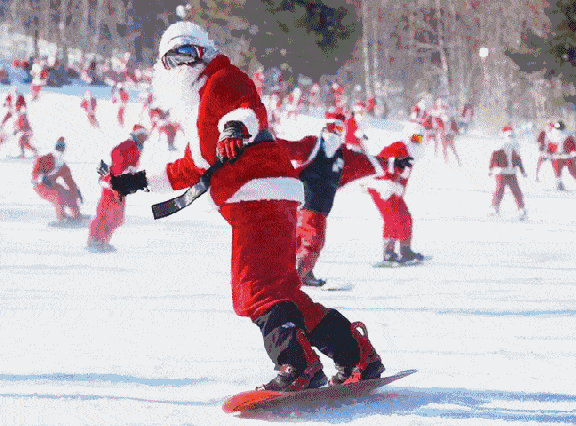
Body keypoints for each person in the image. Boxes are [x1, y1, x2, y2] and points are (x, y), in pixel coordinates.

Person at [108, 21, 385, 391]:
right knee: (283, 291)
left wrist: (235, 128)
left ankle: (297, 364)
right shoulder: (198, 107)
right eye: (171, 59)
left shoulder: (223, 77)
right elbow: (192, 166)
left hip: (257, 193)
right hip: (263, 195)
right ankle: (356, 355)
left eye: (188, 53)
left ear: (204, 51)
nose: (182, 65)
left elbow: (247, 107)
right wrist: (137, 181)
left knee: (255, 289)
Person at [278, 110, 391, 287]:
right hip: (307, 203)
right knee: (312, 241)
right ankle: (294, 280)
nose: (332, 132)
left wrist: (391, 163)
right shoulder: (313, 144)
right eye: (328, 127)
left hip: (319, 207)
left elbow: (366, 163)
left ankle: (302, 273)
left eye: (337, 127)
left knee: (301, 242)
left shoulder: (343, 154)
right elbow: (289, 148)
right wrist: (266, 142)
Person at [366, 122, 425, 264]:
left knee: (405, 216)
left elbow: (403, 175)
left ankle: (405, 250)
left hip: (394, 189)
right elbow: (381, 162)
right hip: (381, 187)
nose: (416, 142)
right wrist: (388, 180)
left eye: (420, 139)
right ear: (407, 136)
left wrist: (399, 188)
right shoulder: (397, 147)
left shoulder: (411, 153)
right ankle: (389, 253)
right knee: (392, 218)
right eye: (414, 138)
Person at [87, 125, 149, 253]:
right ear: (137, 135)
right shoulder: (129, 145)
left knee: (114, 216)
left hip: (117, 184)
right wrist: (121, 174)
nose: (145, 138)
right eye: (143, 135)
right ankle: (97, 240)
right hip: (114, 183)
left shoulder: (136, 147)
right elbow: (116, 155)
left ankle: (99, 240)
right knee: (111, 214)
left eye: (146, 136)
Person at [31, 137, 82, 223]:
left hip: (52, 185)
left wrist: (76, 191)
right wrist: (42, 177)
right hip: (41, 186)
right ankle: (61, 217)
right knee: (58, 195)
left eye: (62, 149)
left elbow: (69, 181)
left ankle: (76, 216)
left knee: (69, 193)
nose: (60, 152)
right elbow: (35, 175)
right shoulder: (43, 159)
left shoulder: (63, 166)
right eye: (59, 149)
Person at [489, 126, 527, 220]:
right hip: (501, 172)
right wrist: (491, 168)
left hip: (511, 172)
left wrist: (522, 170)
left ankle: (521, 208)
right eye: (509, 136)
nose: (510, 138)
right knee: (499, 190)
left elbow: (518, 159)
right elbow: (494, 157)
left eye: (512, 136)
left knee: (516, 190)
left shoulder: (515, 146)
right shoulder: (500, 145)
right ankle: (494, 207)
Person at [546, 120, 576, 190]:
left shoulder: (567, 136)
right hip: (557, 156)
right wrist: (548, 153)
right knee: (557, 169)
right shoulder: (552, 136)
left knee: (572, 170)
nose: (559, 131)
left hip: (567, 156)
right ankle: (559, 183)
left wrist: (573, 153)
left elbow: (572, 146)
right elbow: (550, 146)